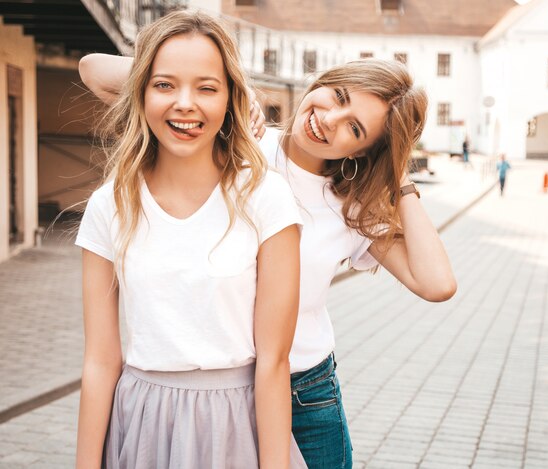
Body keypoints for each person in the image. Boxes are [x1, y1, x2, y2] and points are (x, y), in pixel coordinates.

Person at [80, 53, 457, 468]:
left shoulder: (351, 207)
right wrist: (229, 87)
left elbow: (436, 283)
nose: (329, 119)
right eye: (338, 96)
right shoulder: (240, 140)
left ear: (365, 149)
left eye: (355, 127)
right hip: (221, 393)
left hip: (303, 395)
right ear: (320, 81)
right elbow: (93, 71)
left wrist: (398, 174)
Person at [74, 10, 306, 469]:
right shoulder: (110, 204)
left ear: (229, 99)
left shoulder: (266, 197)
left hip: (236, 424)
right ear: (140, 93)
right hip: (139, 423)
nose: (185, 103)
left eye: (206, 87)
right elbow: (100, 361)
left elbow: (274, 361)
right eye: (164, 85)